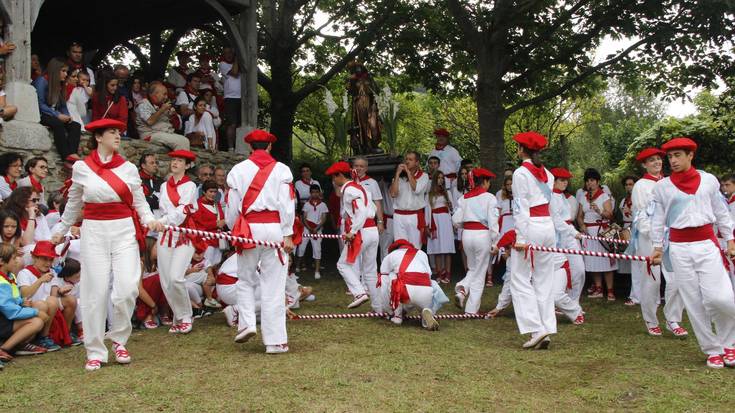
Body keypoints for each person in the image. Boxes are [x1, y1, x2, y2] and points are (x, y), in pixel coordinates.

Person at [50, 118, 164, 371]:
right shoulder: (82, 167)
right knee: (95, 292)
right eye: (111, 132)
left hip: (123, 229)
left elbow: (140, 202)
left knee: (126, 289)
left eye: (119, 132)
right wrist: (60, 229)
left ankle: (119, 339)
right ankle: (95, 350)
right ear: (98, 137)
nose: (117, 136)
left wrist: (149, 219)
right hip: (94, 232)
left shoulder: (128, 169)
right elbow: (74, 204)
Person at [650, 137, 735, 368]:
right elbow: (657, 219)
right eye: (670, 156)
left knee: (721, 298)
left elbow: (721, 212)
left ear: (690, 156)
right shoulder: (662, 187)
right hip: (678, 248)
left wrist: (730, 239)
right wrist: (657, 248)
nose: (673, 160)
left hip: (707, 244)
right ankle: (712, 349)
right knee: (693, 301)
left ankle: (730, 344)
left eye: (678, 155)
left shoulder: (708, 181)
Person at [225, 129, 294, 353]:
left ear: (250, 147)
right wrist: (288, 233)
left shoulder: (237, 170)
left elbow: (232, 207)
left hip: (248, 229)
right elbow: (287, 204)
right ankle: (275, 342)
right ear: (270, 147)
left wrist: (234, 228)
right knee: (273, 285)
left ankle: (245, 324)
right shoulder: (282, 170)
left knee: (245, 279)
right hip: (274, 229)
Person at [628, 148, 687, 337]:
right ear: (644, 164)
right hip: (649, 239)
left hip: (672, 236)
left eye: (659, 159)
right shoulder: (641, 186)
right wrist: (655, 238)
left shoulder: (669, 182)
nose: (657, 162)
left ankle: (673, 319)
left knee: (676, 278)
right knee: (651, 280)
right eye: (652, 160)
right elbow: (640, 216)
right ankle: (651, 320)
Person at [509, 131, 559, 349]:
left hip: (531, 228)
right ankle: (546, 328)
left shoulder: (520, 174)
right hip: (548, 227)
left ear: (522, 150)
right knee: (544, 280)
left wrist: (520, 237)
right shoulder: (548, 173)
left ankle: (536, 328)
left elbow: (520, 207)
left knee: (519, 279)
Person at [327, 161, 380, 310]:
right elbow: (370, 209)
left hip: (362, 231)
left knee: (342, 264)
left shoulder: (349, 190)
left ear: (340, 176)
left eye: (333, 177)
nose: (333, 181)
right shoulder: (359, 188)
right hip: (372, 230)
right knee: (370, 270)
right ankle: (378, 306)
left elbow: (361, 211)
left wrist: (353, 230)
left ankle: (358, 293)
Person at [157, 150, 198, 334]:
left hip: (184, 234)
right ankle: (178, 316)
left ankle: (186, 316)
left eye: (179, 161)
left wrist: (163, 222)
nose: (175, 163)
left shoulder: (190, 186)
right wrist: (157, 221)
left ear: (187, 165)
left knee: (176, 277)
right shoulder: (164, 186)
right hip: (165, 234)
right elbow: (163, 210)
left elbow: (182, 212)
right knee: (166, 280)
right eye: (173, 159)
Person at [452, 168, 498, 314]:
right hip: (482, 235)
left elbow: (456, 220)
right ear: (484, 181)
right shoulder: (490, 198)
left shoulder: (464, 198)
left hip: (467, 234)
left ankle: (462, 291)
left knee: (473, 268)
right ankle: (470, 308)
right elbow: (493, 222)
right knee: (480, 272)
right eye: (488, 181)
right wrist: (495, 242)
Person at [377, 239, 447, 330]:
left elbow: (383, 279)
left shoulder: (391, 255)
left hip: (406, 292)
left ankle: (397, 316)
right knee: (431, 283)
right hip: (426, 292)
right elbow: (429, 274)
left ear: (395, 249)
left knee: (390, 276)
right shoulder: (422, 254)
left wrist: (387, 310)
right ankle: (427, 312)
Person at [0, 243, 49, 362]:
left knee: (39, 309)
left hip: (6, 318)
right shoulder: (1, 281)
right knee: (37, 321)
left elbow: (14, 298)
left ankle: (19, 345)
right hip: (3, 319)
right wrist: (35, 312)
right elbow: (10, 311)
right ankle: (3, 348)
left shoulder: (10, 276)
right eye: (13, 258)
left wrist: (22, 302)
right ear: (2, 261)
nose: (17, 262)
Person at [577, 168, 618, 300]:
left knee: (606, 261)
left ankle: (610, 290)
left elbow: (610, 215)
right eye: (587, 181)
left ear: (598, 181)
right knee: (593, 261)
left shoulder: (604, 196)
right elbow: (579, 216)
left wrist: (599, 210)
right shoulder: (583, 197)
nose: (590, 183)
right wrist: (582, 225)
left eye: (592, 180)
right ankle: (598, 288)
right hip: (589, 232)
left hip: (602, 231)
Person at [33, 58, 81, 159]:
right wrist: (57, 115)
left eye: (66, 71)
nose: (65, 74)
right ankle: (65, 156)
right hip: (41, 114)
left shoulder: (60, 84)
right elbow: (40, 104)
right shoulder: (42, 81)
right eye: (63, 71)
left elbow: (63, 105)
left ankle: (72, 153)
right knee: (58, 124)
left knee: (76, 126)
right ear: (55, 70)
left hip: (54, 114)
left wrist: (67, 116)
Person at [550, 168, 586, 304]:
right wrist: (574, 232)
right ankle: (562, 301)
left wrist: (574, 232)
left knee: (579, 270)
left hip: (569, 233)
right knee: (561, 270)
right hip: (558, 237)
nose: (565, 183)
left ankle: (573, 301)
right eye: (562, 180)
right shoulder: (550, 197)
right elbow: (557, 221)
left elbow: (566, 220)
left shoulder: (563, 197)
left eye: (566, 180)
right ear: (554, 181)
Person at [390, 151, 430, 249]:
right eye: (406, 159)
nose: (407, 162)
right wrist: (397, 175)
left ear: (417, 162)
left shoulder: (424, 176)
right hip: (399, 215)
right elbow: (393, 194)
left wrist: (408, 172)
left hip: (414, 215)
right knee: (400, 246)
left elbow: (416, 189)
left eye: (410, 160)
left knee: (415, 246)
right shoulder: (399, 177)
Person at [135, 82, 190, 150]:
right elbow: (149, 121)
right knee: (180, 142)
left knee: (185, 140)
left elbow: (179, 127)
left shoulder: (162, 105)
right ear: (154, 94)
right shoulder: (143, 104)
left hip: (165, 133)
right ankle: (180, 160)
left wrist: (173, 116)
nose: (166, 97)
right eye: (164, 94)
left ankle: (180, 160)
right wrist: (162, 109)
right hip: (150, 134)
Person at [427, 171, 455, 284]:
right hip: (435, 221)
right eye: (438, 178)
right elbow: (428, 210)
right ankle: (439, 273)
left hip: (445, 220)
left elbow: (453, 209)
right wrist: (428, 225)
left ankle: (447, 273)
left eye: (442, 178)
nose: (441, 180)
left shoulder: (447, 192)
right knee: (437, 248)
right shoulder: (430, 194)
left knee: (447, 249)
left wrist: (450, 206)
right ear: (434, 180)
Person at [296, 184, 328, 279]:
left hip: (317, 230)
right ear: (310, 193)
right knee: (301, 248)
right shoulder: (306, 204)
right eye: (313, 192)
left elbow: (324, 218)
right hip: (307, 229)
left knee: (317, 250)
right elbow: (304, 218)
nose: (315, 194)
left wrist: (317, 228)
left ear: (319, 193)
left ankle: (317, 271)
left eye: (316, 192)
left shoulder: (323, 205)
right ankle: (297, 266)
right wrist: (309, 228)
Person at [192, 180, 226, 265]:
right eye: (210, 191)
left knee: (216, 264)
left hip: (218, 240)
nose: (213, 194)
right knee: (206, 265)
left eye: (215, 192)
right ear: (204, 192)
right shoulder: (197, 205)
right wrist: (216, 224)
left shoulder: (217, 204)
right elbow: (198, 225)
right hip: (205, 242)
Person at [352, 156, 385, 236]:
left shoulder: (372, 182)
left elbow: (378, 204)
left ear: (366, 168)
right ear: (353, 167)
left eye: (361, 166)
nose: (358, 168)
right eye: (356, 166)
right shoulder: (349, 182)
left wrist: (380, 222)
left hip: (368, 224)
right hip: (352, 223)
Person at [218, 47, 241, 152]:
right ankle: (231, 148)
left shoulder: (240, 65)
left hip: (242, 98)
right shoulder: (223, 64)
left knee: (240, 124)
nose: (229, 55)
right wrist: (237, 58)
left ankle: (239, 147)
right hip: (230, 98)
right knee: (232, 124)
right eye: (226, 53)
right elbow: (235, 73)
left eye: (231, 52)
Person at [619, 175, 637, 304]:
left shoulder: (639, 199)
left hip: (635, 229)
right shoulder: (624, 200)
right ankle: (627, 290)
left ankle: (636, 294)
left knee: (637, 262)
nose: (629, 186)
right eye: (627, 184)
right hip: (626, 229)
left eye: (631, 184)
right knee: (627, 263)